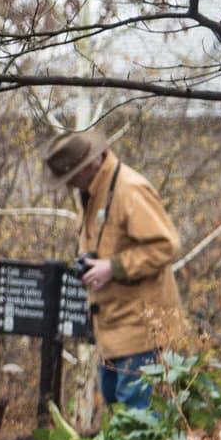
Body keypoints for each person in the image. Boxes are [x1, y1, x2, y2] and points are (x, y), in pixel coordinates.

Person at [45, 130, 191, 410]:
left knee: (139, 422)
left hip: (141, 331)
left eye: (71, 177)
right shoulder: (91, 192)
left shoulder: (129, 189)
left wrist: (113, 267)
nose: (69, 185)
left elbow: (166, 246)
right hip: (111, 330)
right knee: (117, 410)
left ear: (90, 164)